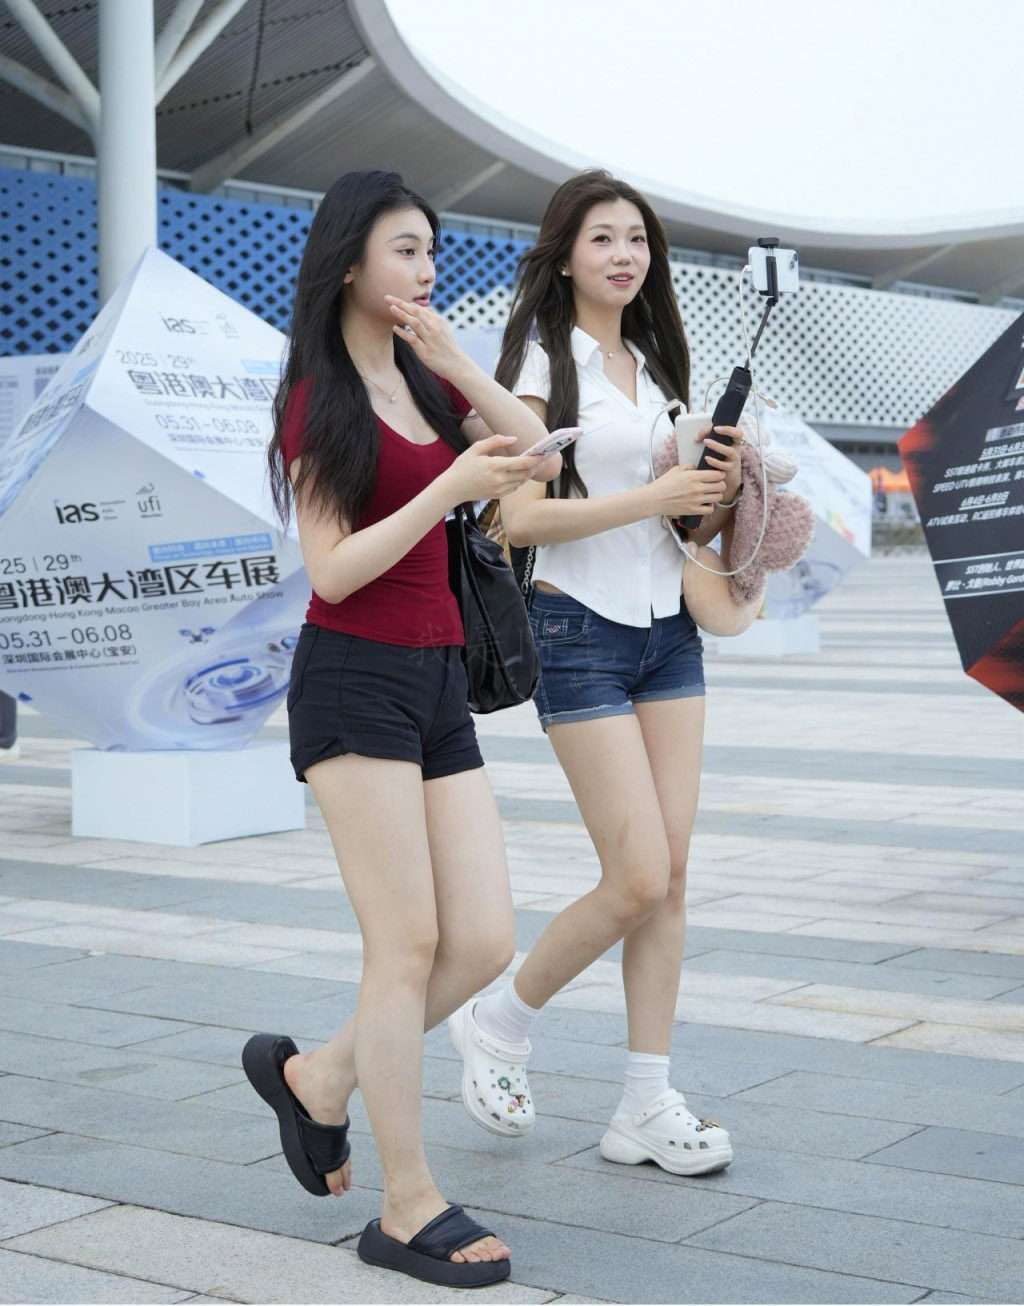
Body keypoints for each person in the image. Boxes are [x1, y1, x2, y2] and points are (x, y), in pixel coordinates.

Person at [242, 169, 559, 1288]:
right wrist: (443, 489)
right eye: (405, 250)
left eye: (430, 250)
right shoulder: (314, 399)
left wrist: (460, 366)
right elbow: (331, 569)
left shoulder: (425, 381)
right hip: (353, 679)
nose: (425, 270)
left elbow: (539, 453)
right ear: (349, 263)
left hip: (436, 681)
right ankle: (405, 1201)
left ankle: (321, 1078)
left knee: (482, 941)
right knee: (407, 944)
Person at [448, 169, 742, 1177]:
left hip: (670, 633)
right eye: (603, 238)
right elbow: (519, 515)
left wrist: (713, 486)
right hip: (577, 631)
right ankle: (500, 1016)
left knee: (671, 882)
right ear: (565, 254)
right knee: (637, 875)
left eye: (637, 239)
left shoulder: (654, 362)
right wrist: (654, 493)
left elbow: (680, 516)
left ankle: (645, 1104)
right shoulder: (541, 360)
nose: (625, 255)